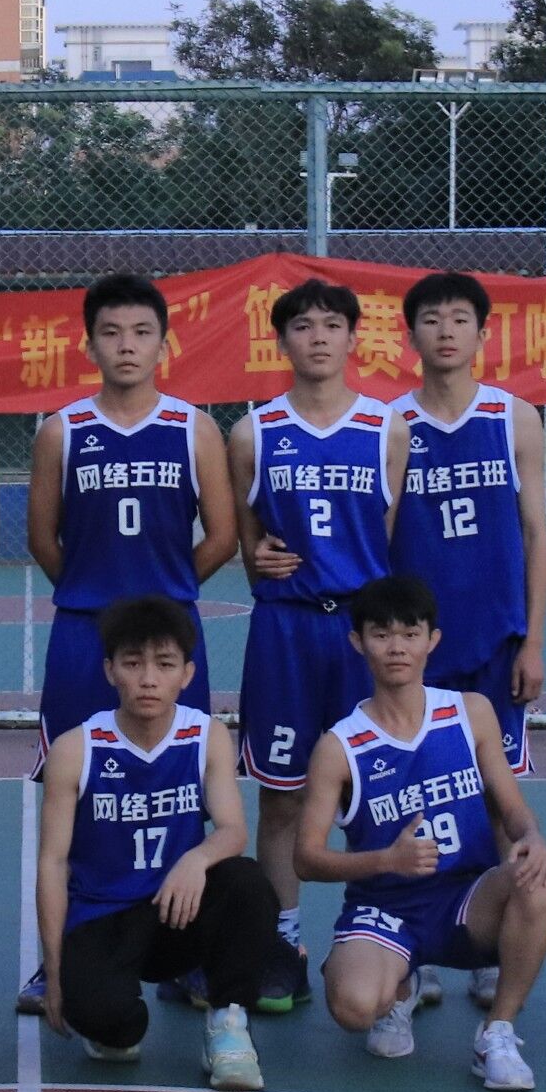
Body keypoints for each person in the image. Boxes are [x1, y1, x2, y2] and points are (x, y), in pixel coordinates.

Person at [17, 272, 233, 1015]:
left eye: (141, 332)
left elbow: (222, 535)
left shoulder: (193, 428)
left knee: (181, 784)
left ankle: (185, 952)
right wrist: (102, 609)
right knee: (77, 793)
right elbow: (42, 538)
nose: (127, 346)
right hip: (85, 636)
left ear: (164, 344)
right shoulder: (62, 431)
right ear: (88, 345)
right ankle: (61, 954)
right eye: (111, 333)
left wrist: (158, 609)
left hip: (169, 638)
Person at [294, 575, 546, 1092]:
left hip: (467, 899)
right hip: (386, 907)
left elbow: (513, 809)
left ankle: (497, 1033)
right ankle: (398, 986)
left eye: (410, 634)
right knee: (352, 1008)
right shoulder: (339, 747)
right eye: (381, 634)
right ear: (358, 642)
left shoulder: (470, 713)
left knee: (538, 877)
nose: (397, 648)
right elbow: (305, 858)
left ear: (432, 640)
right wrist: (385, 861)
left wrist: (533, 837)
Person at [384, 271, 546, 1012]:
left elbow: (535, 535)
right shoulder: (390, 424)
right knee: (410, 791)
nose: (445, 330)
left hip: (494, 638)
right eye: (431, 319)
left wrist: (533, 641)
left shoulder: (513, 418)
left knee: (493, 790)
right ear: (410, 334)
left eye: (459, 319)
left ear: (482, 334)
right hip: (413, 645)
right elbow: (379, 537)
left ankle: (489, 942)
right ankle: (412, 945)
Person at [35, 596, 274, 1090]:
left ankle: (228, 1021)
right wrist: (55, 974)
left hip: (177, 908)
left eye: (164, 665)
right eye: (133, 663)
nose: (148, 679)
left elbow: (233, 830)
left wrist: (196, 859)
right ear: (110, 670)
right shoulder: (76, 749)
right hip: (103, 915)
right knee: (109, 1027)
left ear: (187, 674)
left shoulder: (207, 735)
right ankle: (113, 1014)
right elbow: (53, 864)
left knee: (247, 882)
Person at [228, 279, 390, 1011]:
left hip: (360, 632)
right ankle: (281, 943)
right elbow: (248, 544)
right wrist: (258, 559)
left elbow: (387, 541)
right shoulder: (252, 433)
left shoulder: (385, 429)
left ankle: (380, 936)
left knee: (375, 791)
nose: (318, 337)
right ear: (282, 340)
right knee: (282, 797)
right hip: (286, 630)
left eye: (331, 324)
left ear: (354, 337)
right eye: (302, 325)